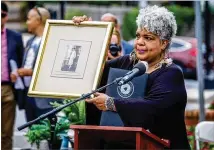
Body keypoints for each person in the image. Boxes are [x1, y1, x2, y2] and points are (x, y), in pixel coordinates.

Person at [73, 5, 190, 149]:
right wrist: (86, 33)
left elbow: (153, 109)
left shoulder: (171, 73)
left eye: (148, 38)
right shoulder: (125, 62)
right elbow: (90, 74)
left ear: (163, 43)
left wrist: (111, 103)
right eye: (138, 36)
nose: (139, 42)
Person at [16, 6, 58, 122]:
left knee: (50, 135)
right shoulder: (30, 41)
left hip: (45, 99)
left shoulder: (52, 41)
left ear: (39, 20)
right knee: (33, 134)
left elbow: (53, 69)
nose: (27, 22)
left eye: (29, 19)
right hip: (28, 95)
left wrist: (31, 72)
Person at [1, 2, 24, 150]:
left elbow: (21, 60)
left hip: (8, 88)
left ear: (6, 17)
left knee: (6, 132)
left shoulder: (15, 37)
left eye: (2, 15)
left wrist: (18, 72)